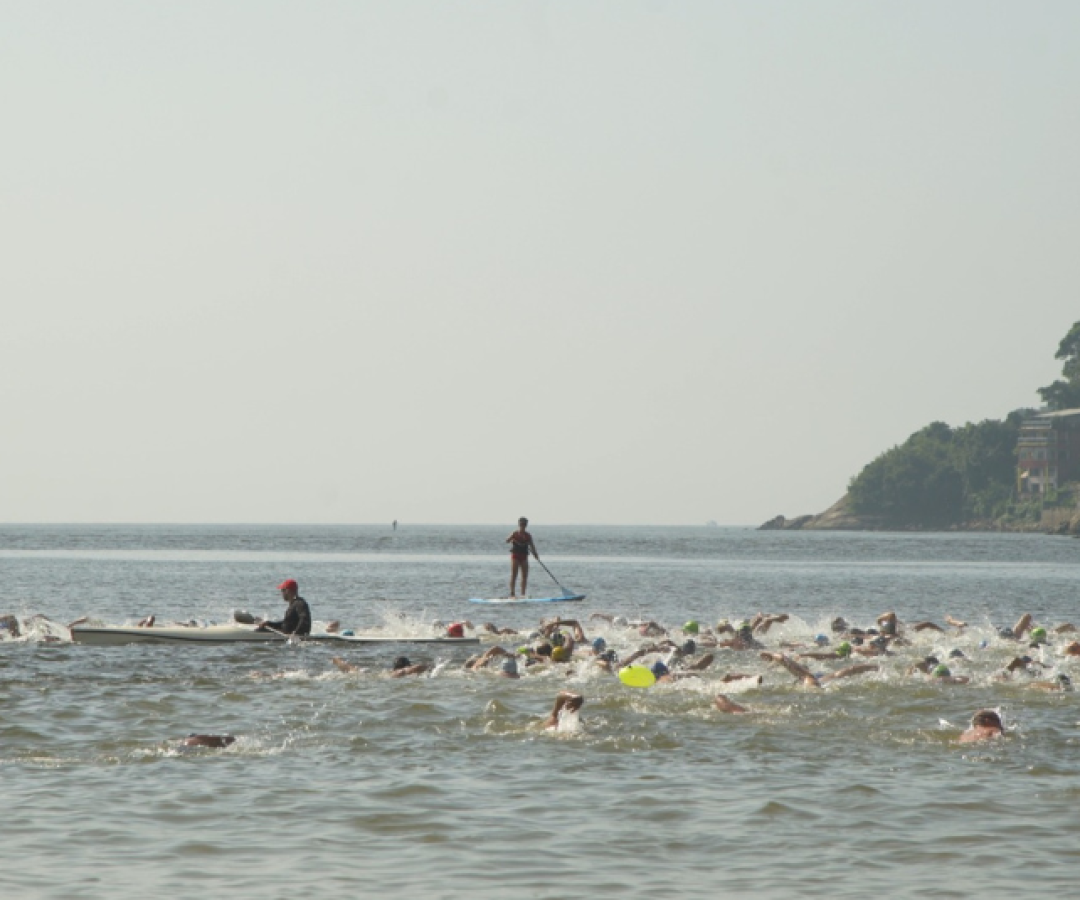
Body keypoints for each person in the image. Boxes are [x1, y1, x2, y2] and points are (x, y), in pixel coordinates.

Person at [506, 517, 538, 598]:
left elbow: (532, 545)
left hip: (524, 556)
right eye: (521, 524)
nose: (523, 526)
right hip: (515, 556)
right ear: (519, 524)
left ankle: (523, 594)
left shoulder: (528, 535)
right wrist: (512, 539)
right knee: (514, 574)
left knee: (524, 575)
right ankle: (512, 593)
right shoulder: (515, 533)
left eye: (524, 524)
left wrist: (535, 554)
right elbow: (507, 540)